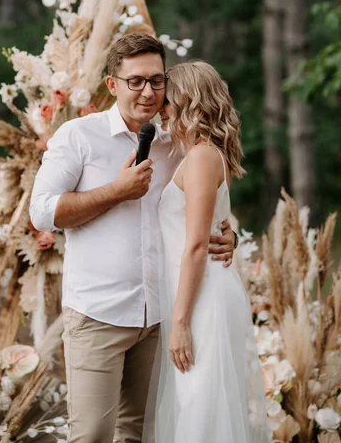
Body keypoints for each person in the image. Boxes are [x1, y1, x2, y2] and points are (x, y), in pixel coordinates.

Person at [29, 34, 236, 443]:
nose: (148, 92)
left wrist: (229, 235)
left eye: (157, 81)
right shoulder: (78, 136)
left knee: (143, 434)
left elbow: (203, 205)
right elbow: (42, 212)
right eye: (135, 81)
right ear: (113, 85)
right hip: (97, 314)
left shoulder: (176, 141)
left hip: (160, 317)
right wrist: (116, 191)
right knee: (91, 435)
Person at [150, 61, 270, 443]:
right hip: (193, 294)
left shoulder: (201, 157)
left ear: (187, 101)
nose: (160, 108)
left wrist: (181, 322)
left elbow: (197, 246)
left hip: (202, 300)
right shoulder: (195, 155)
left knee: (201, 408)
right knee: (194, 403)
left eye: (167, 100)